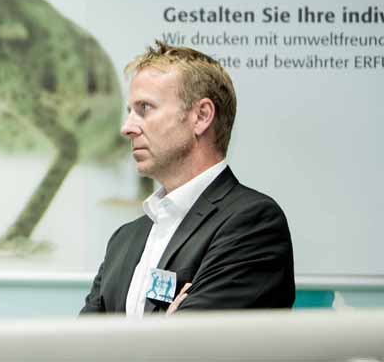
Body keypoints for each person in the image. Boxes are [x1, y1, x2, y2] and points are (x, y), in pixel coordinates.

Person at [81, 41, 294, 316]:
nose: (127, 128)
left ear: (201, 116)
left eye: (144, 108)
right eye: (129, 112)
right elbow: (82, 340)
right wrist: (167, 325)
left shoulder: (253, 223)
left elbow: (195, 342)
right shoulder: (124, 240)